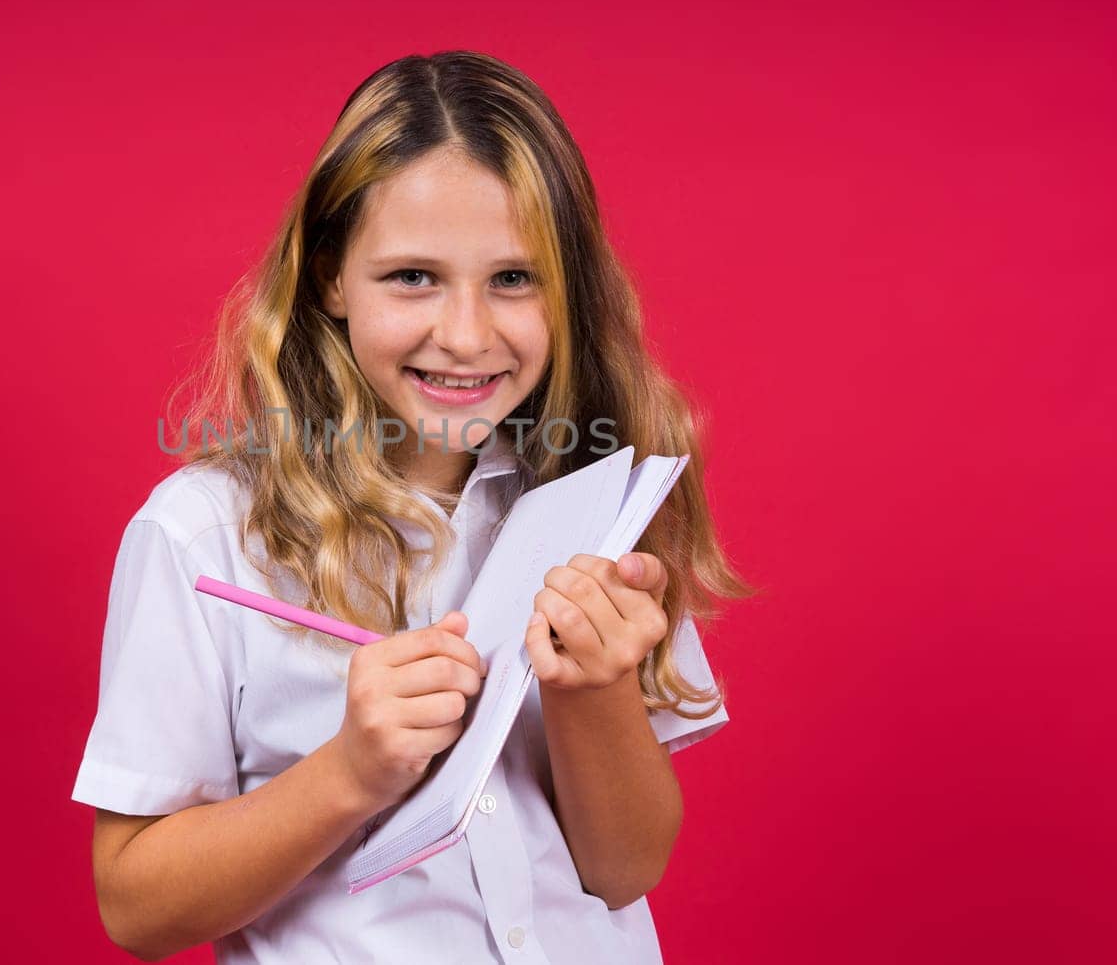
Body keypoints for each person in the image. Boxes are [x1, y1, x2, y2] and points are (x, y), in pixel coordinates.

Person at [71, 50, 755, 963]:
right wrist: (349, 772)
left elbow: (626, 867)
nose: (467, 334)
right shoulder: (203, 534)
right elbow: (135, 907)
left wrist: (592, 691)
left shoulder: (593, 506)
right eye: (412, 278)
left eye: (514, 278)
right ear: (329, 279)